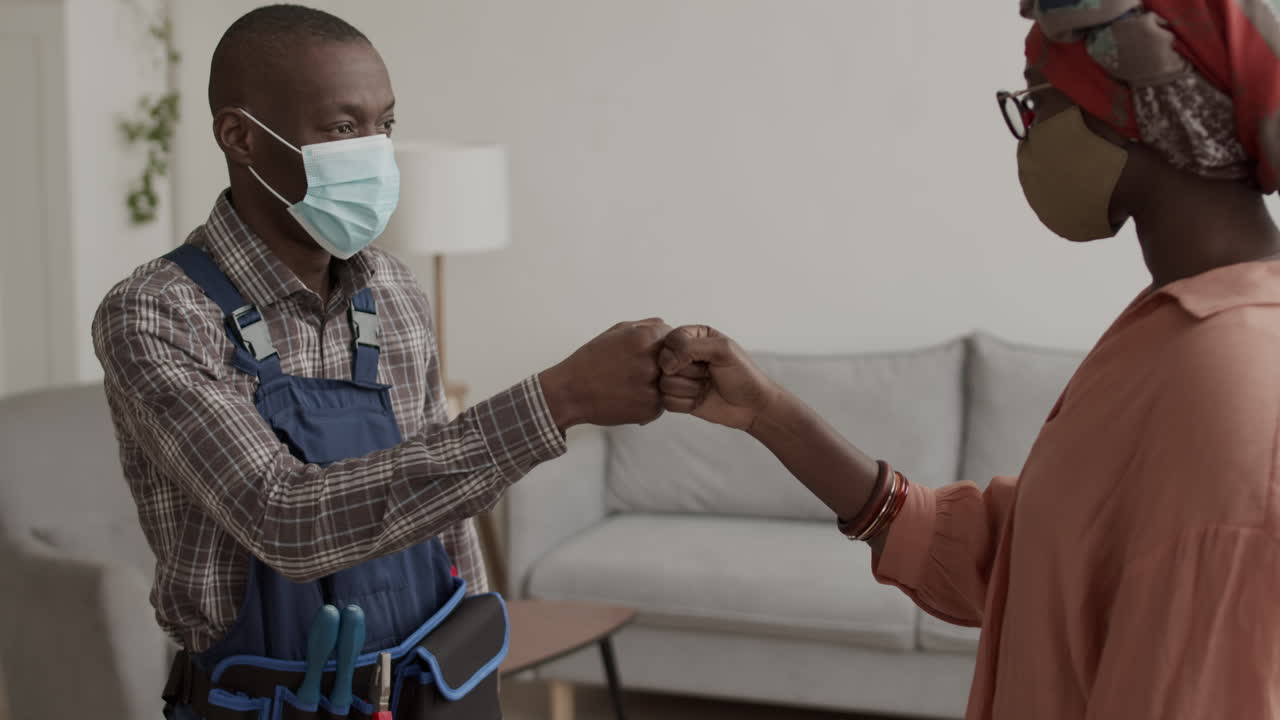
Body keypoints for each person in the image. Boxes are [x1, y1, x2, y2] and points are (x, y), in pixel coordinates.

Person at [658, 1, 1280, 718]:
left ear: (1129, 114)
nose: (1029, 134)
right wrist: (770, 413)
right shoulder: (1169, 331)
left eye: (1036, 101)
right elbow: (1018, 563)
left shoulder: (1239, 385)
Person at [91, 5, 668, 718]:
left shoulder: (393, 290)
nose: (373, 151)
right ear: (239, 136)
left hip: (431, 692)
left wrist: (478, 664)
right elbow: (285, 520)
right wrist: (560, 399)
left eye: (383, 125)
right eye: (341, 128)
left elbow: (448, 515)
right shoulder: (158, 312)